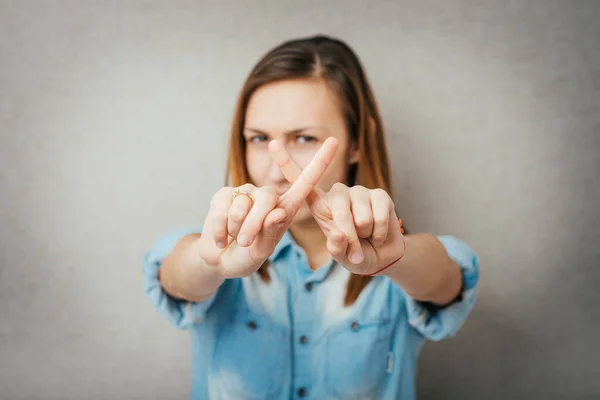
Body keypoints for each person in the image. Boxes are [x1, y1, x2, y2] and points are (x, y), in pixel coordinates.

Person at [142, 34, 479, 400]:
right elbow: (175, 276)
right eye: (257, 139)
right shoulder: (216, 250)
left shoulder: (400, 260)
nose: (276, 169)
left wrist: (396, 257)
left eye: (304, 138)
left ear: (357, 143)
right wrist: (212, 262)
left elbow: (447, 279)